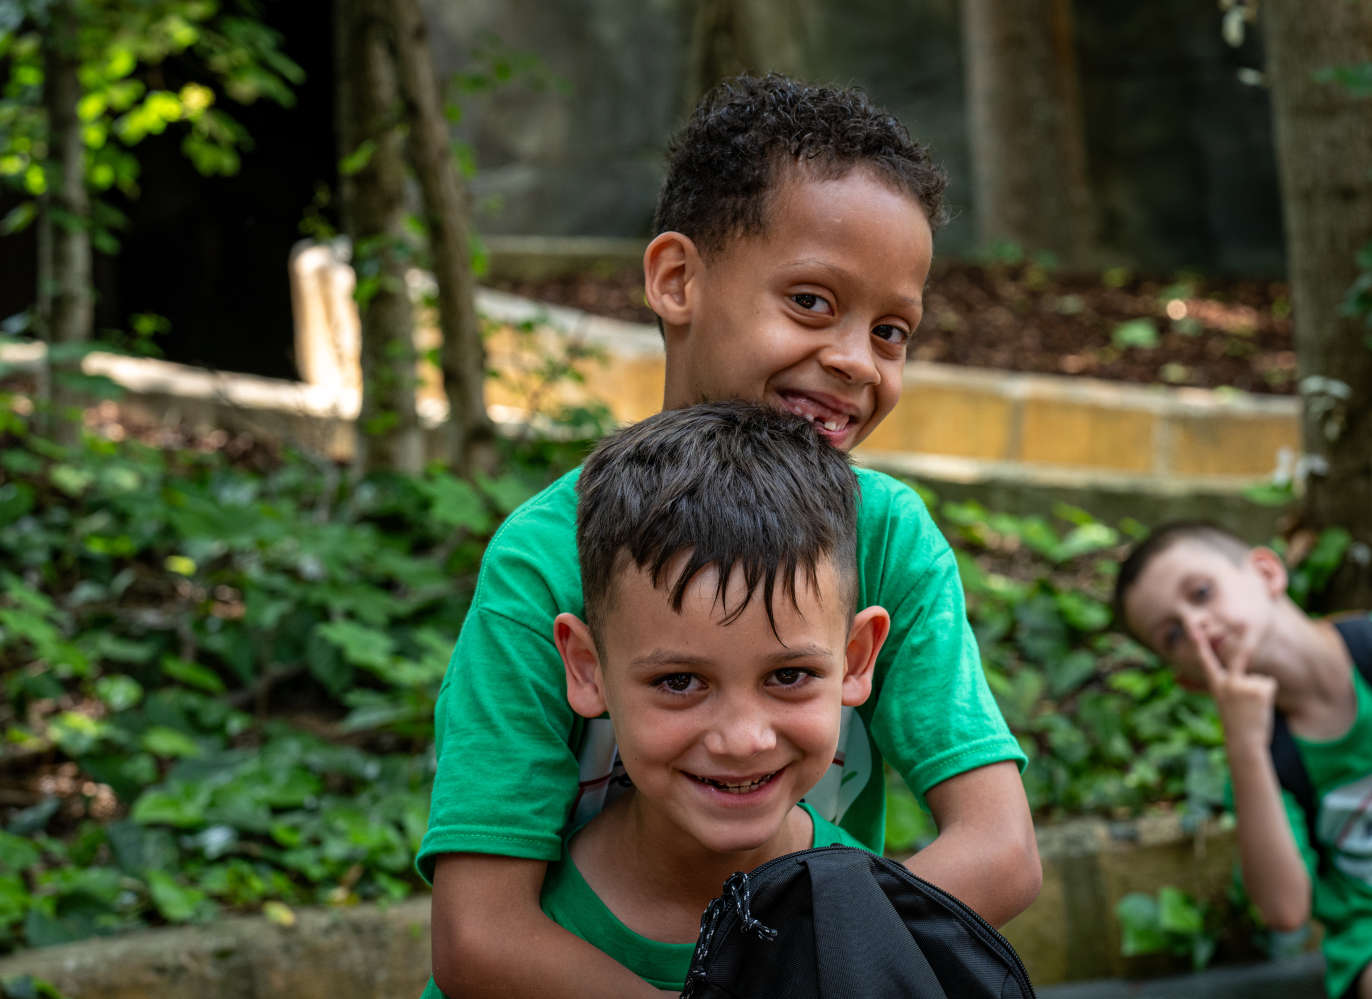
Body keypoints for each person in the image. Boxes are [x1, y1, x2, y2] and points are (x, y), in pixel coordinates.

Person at [421, 74, 1041, 998]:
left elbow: (1000, 850)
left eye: (892, 330)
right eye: (810, 302)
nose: (853, 360)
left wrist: (808, 959)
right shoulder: (548, 555)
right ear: (678, 279)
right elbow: (480, 935)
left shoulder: (890, 541)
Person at [421, 402, 890, 998]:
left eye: (790, 675)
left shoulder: (869, 918)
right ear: (588, 670)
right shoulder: (511, 962)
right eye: (678, 682)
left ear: (853, 660)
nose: (743, 739)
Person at [1114, 521, 1372, 999]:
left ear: (1267, 572)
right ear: (1188, 681)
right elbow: (1284, 910)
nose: (1196, 628)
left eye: (1202, 592)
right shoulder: (1260, 766)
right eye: (1172, 635)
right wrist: (1246, 747)